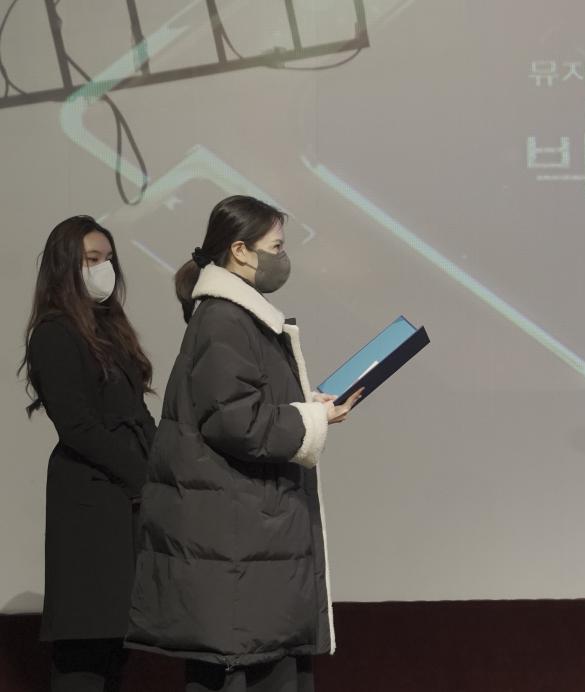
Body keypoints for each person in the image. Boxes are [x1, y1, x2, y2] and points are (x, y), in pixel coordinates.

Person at [125, 195, 361, 692]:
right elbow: (235, 422)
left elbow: (241, 407)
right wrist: (311, 418)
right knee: (245, 673)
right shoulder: (224, 318)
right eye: (275, 246)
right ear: (239, 250)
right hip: (236, 537)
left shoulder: (236, 316)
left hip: (247, 537)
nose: (283, 257)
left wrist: (307, 409)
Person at [21, 216, 156, 691]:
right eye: (91, 260)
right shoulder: (54, 333)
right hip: (89, 502)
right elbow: (78, 427)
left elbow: (136, 411)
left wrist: (162, 467)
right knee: (85, 642)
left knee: (115, 642)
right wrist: (141, 473)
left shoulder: (110, 329)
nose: (104, 269)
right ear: (65, 267)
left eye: (108, 259)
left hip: (124, 503)